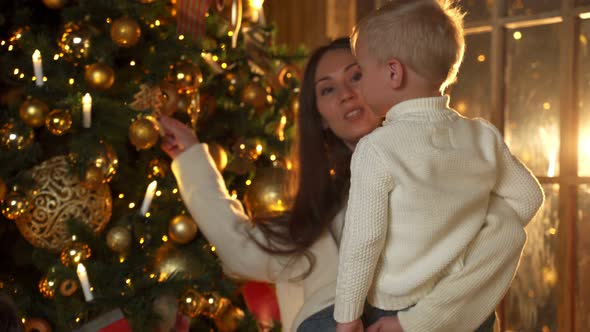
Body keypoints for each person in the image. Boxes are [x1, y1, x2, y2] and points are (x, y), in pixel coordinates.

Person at [159, 36, 533, 332]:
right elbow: (241, 249)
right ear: (320, 118)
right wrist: (191, 158)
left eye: (355, 76)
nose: (346, 93)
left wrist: (419, 322)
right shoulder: (321, 214)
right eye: (327, 89)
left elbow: (505, 231)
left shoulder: (457, 158)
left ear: (389, 77)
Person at [329, 1, 545, 332]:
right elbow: (528, 197)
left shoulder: (377, 148)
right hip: (469, 313)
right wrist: (484, 230)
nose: (357, 86)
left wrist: (347, 318)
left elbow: (363, 241)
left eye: (360, 73)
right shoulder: (481, 136)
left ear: (392, 72)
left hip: (394, 311)